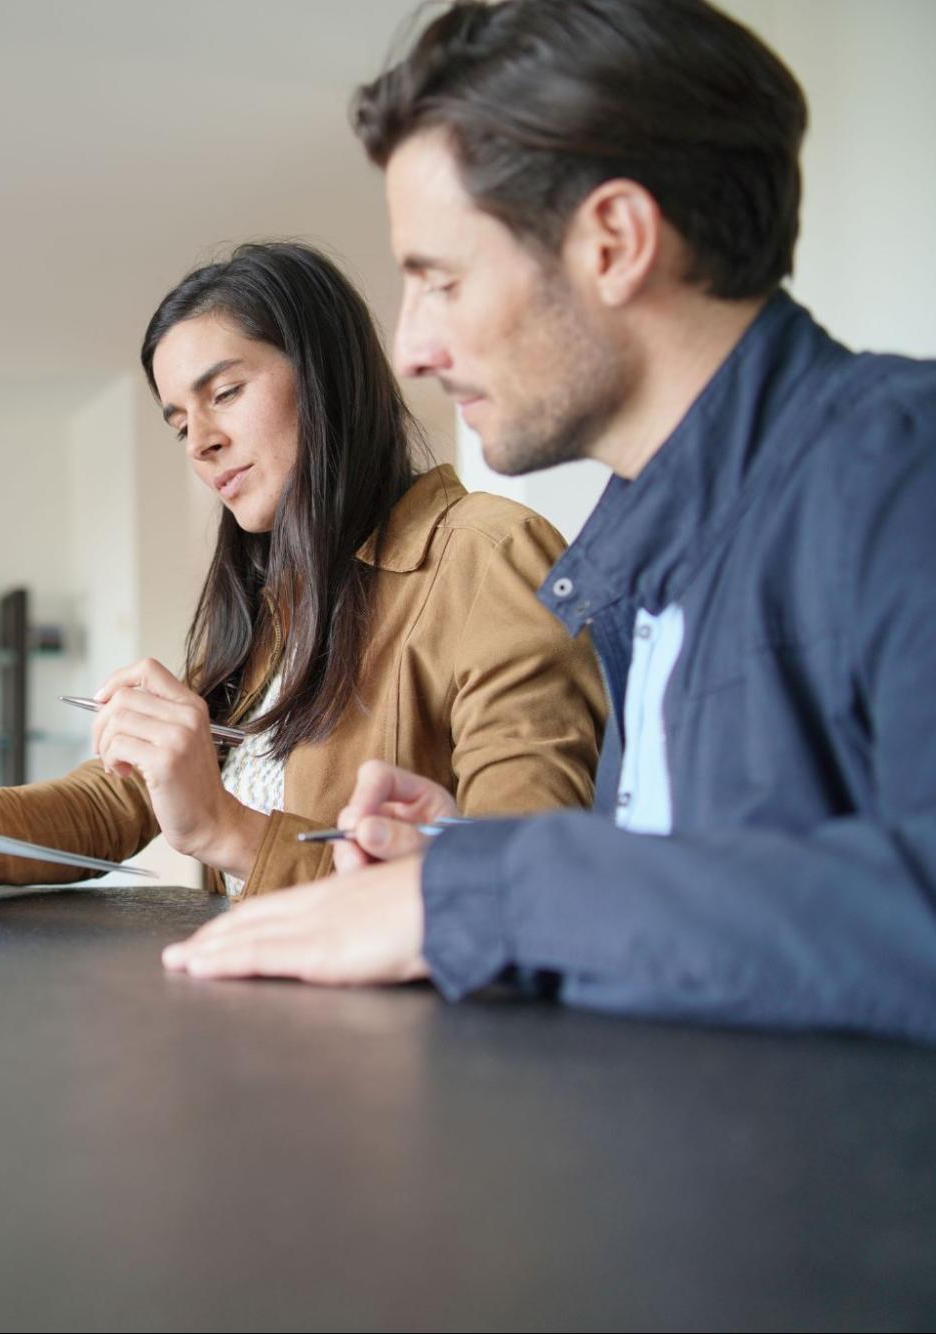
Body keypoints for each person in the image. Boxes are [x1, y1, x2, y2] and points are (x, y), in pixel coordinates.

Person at [161, 0, 936, 1043]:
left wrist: (493, 890)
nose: (409, 350)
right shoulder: (649, 562)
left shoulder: (899, 469)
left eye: (439, 278)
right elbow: (709, 909)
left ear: (613, 240)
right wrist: (464, 856)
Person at [0, 241, 605, 899]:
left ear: (327, 376)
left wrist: (224, 829)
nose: (199, 443)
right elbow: (118, 802)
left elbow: (525, 879)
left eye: (224, 393)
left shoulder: (486, 554)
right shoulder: (276, 599)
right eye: (179, 420)